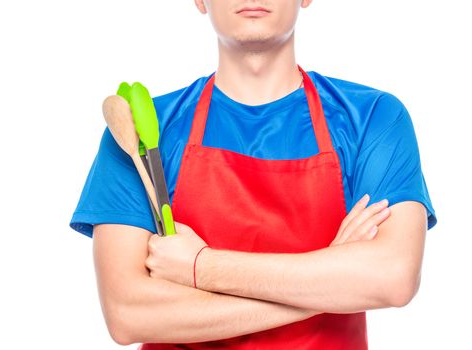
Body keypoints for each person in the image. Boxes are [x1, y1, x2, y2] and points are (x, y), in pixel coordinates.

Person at [70, 0, 437, 348]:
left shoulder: (373, 119)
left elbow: (393, 277)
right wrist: (327, 285)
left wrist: (200, 266)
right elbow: (127, 314)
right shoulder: (144, 134)